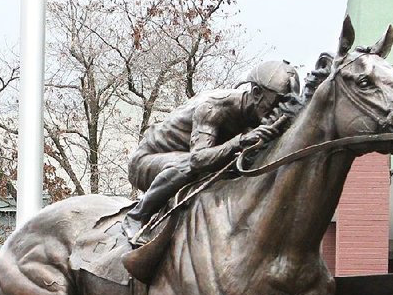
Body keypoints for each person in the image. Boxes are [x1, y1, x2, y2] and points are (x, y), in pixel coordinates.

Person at [123, 60, 300, 239]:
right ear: (256, 93)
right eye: (277, 102)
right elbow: (198, 159)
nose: (278, 111)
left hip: (194, 165)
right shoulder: (213, 107)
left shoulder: (258, 115)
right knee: (188, 166)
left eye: (285, 105)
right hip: (148, 162)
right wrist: (240, 141)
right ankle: (137, 216)